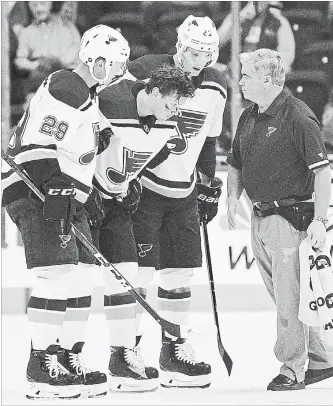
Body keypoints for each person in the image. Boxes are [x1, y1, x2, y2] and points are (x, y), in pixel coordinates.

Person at [2, 24, 130, 399]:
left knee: (81, 277)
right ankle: (40, 365)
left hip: (62, 193)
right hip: (35, 190)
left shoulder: (86, 98)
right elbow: (38, 144)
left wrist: (95, 191)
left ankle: (65, 355)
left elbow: (82, 153)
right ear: (100, 62)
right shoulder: (66, 86)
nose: (120, 74)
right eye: (118, 65)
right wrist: (54, 189)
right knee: (55, 275)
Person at [125, 15, 227, 388]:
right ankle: (126, 350)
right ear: (179, 46)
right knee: (140, 274)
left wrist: (208, 181)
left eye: (205, 53)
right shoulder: (148, 69)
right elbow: (115, 105)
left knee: (179, 274)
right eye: (192, 51)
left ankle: (173, 350)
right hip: (145, 190)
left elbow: (210, 138)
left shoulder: (217, 84)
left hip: (182, 194)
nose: (197, 59)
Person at [227, 48, 333, 391]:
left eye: (246, 76)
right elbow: (235, 163)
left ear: (268, 80)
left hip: (290, 219)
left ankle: (292, 369)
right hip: (260, 219)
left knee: (290, 300)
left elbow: (321, 171)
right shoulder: (248, 116)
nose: (240, 80)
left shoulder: (298, 117)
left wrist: (320, 219)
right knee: (288, 297)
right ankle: (322, 359)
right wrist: (232, 198)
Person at [86, 64, 195, 392]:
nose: (175, 111)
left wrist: (130, 182)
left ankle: (121, 357)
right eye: (172, 102)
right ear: (156, 92)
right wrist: (84, 187)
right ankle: (59, 355)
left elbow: (152, 154)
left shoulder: (166, 122)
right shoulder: (108, 100)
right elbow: (74, 141)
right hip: (83, 198)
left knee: (126, 272)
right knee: (72, 279)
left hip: (115, 205)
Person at [14, 1, 81, 106]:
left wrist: (60, 62)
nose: (39, 9)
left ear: (51, 4)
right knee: (32, 106)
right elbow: (19, 60)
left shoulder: (66, 26)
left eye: (43, 4)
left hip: (65, 79)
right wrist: (35, 65)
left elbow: (76, 48)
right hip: (40, 81)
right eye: (34, 5)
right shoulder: (27, 32)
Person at [217, 1, 295, 73]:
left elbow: (287, 57)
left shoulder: (279, 22)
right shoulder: (239, 17)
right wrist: (241, 17)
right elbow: (217, 43)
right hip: (236, 76)